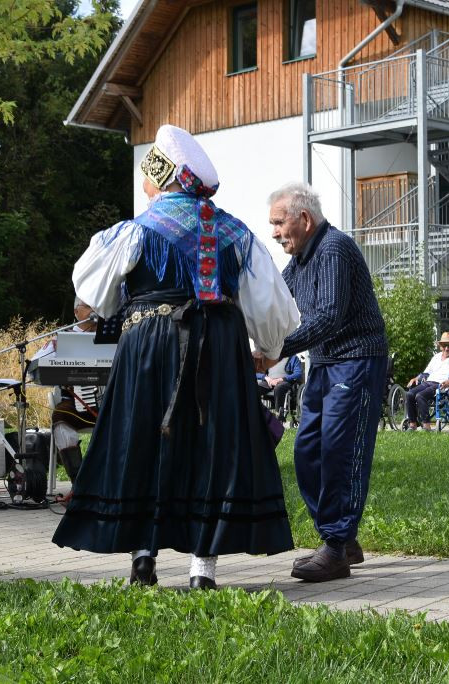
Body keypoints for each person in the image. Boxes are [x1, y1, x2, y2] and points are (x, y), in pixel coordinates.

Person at [53, 124, 301, 590]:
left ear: (163, 180)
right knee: (212, 445)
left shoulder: (135, 231)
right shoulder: (236, 233)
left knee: (141, 440)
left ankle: (143, 556)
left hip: (147, 341)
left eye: (147, 179)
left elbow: (90, 293)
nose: (144, 189)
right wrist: (266, 352)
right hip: (220, 345)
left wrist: (105, 311)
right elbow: (270, 311)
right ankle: (201, 569)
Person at [261, 181, 388, 583]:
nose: (275, 232)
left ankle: (336, 548)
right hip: (326, 363)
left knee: (339, 451)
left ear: (304, 219)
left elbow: (330, 316)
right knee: (308, 451)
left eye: (279, 223)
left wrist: (276, 350)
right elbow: (272, 299)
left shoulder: (334, 248)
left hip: (357, 361)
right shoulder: (299, 260)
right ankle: (343, 540)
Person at [31, 297, 101, 505]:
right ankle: (79, 486)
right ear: (76, 312)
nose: (93, 311)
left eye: (96, 307)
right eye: (88, 306)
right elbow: (34, 370)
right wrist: (54, 358)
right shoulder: (63, 338)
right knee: (61, 417)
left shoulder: (113, 336)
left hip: (112, 402)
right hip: (77, 403)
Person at [405, 332, 449, 431]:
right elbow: (426, 373)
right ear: (440, 346)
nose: (447, 348)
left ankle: (426, 425)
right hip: (428, 382)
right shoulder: (436, 357)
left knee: (420, 396)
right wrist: (416, 378)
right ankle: (412, 424)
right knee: (409, 394)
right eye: (444, 346)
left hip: (441, 385)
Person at [257, 355, 304, 421]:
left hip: (284, 381)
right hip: (269, 381)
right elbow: (256, 372)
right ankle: (257, 413)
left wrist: (281, 379)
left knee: (279, 388)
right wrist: (266, 378)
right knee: (256, 389)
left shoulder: (293, 357)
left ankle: (278, 415)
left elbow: (298, 373)